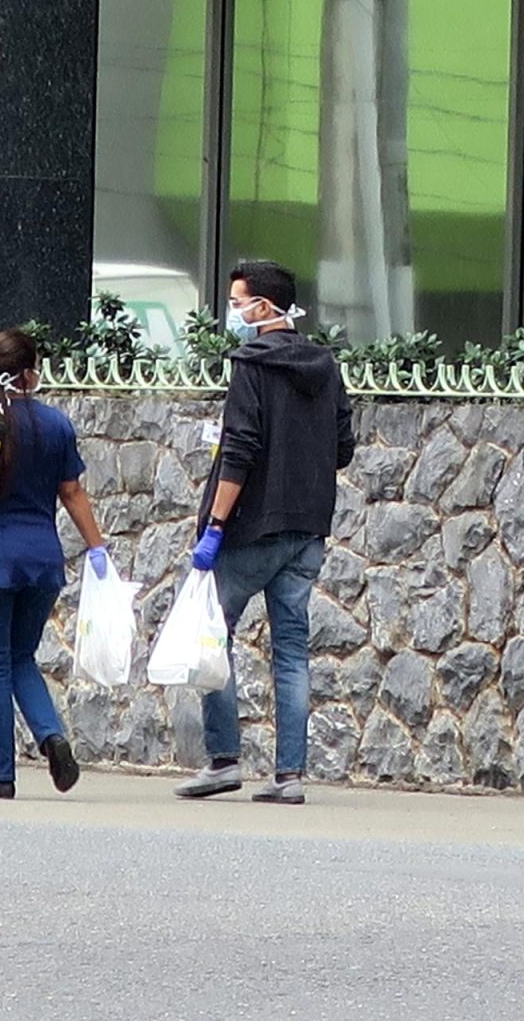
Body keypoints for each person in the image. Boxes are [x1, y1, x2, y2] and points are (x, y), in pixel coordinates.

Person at [174, 260, 355, 805]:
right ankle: (290, 776)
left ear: (265, 307)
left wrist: (215, 527)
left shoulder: (250, 365)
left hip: (251, 529)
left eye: (238, 302)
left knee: (215, 636)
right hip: (307, 529)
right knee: (292, 650)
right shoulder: (325, 365)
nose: (234, 313)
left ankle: (224, 760)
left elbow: (240, 450)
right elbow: (342, 447)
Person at [0, 327, 111, 800]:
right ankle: (51, 735)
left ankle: (0, 773)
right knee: (21, 656)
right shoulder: (55, 424)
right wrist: (97, 548)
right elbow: (72, 492)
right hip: (43, 559)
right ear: (31, 372)